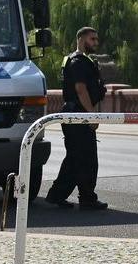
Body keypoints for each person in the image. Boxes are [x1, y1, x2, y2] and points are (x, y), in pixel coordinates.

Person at [46, 26, 108, 211]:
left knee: (76, 158)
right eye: (92, 39)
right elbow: (81, 90)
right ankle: (87, 198)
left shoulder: (80, 60)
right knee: (86, 159)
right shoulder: (78, 62)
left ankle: (58, 195)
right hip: (78, 115)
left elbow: (91, 91)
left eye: (96, 39)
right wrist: (90, 116)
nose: (96, 43)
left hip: (77, 114)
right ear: (81, 39)